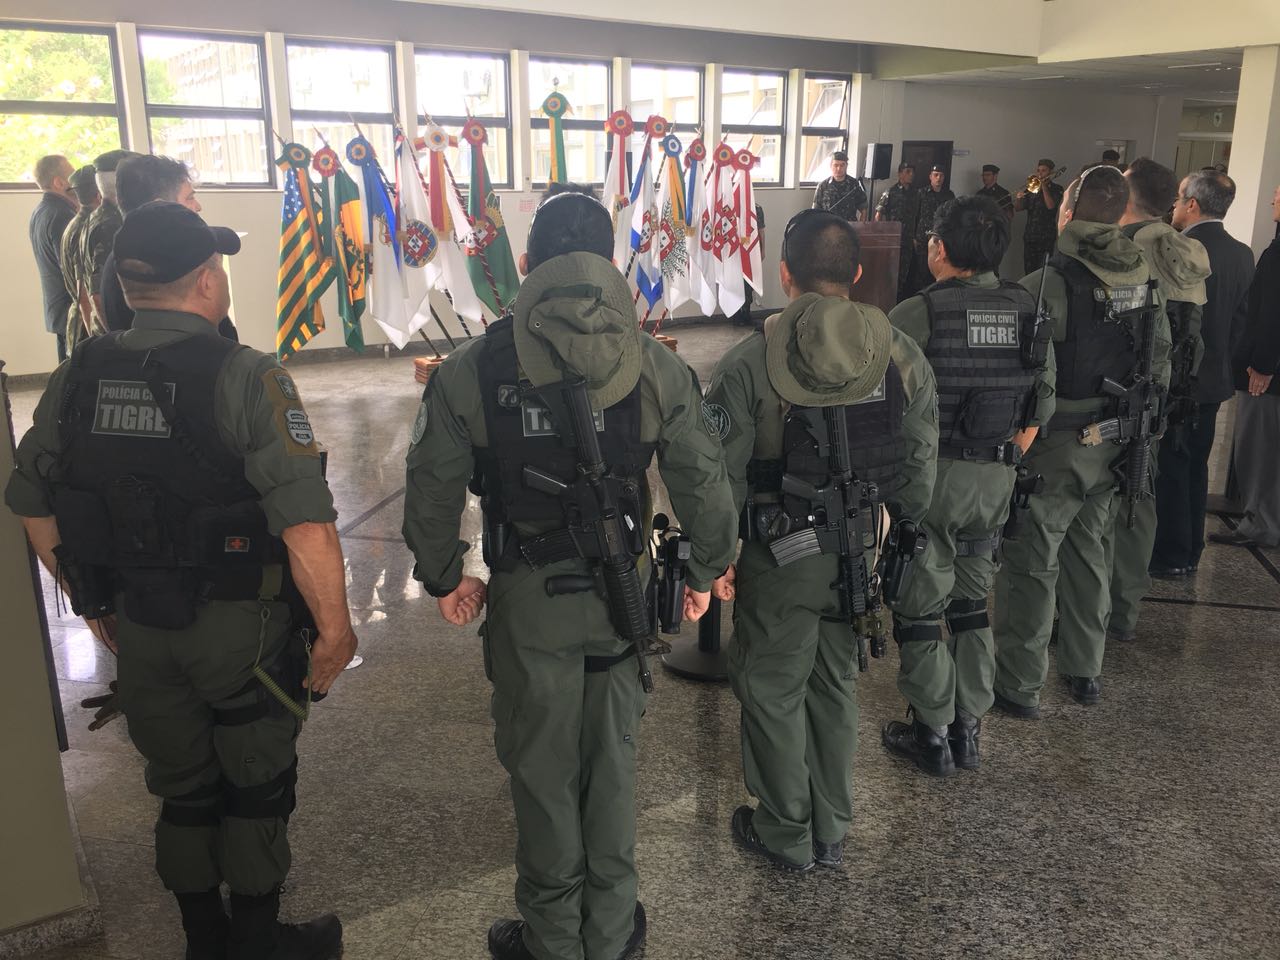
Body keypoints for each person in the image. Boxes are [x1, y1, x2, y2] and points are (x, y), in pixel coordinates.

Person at [5, 201, 357, 960]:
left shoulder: (80, 372)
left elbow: (29, 499)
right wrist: (336, 630)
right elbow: (306, 524)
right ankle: (258, 941)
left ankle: (204, 939)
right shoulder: (247, 374)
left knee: (181, 787)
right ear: (205, 282)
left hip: (139, 623)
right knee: (256, 784)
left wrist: (90, 599)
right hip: (240, 630)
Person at [402, 187, 737, 960]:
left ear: (526, 264)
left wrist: (445, 576)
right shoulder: (654, 363)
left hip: (528, 598)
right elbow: (703, 480)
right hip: (625, 596)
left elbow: (431, 487)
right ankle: (611, 929)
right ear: (609, 264)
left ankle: (553, 937)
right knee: (612, 764)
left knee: (543, 770)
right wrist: (706, 568)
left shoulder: (473, 368)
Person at [705, 209, 938, 868]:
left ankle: (785, 831)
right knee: (835, 682)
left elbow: (717, 472)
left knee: (771, 686)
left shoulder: (751, 360)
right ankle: (831, 827)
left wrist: (716, 556)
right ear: (856, 274)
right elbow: (920, 453)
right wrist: (902, 528)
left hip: (778, 555)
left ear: (785, 273)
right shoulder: (898, 351)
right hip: (859, 551)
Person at [881, 196, 1054, 775]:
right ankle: (968, 728)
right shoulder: (1027, 307)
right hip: (997, 477)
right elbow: (1041, 405)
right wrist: (1003, 459)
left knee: (920, 605)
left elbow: (882, 404)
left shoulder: (918, 313)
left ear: (938, 247)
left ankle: (930, 733)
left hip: (932, 479)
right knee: (973, 604)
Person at [993, 166, 1170, 712]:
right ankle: (1085, 669)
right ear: (1119, 215)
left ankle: (1019, 684)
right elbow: (1160, 359)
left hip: (1057, 445)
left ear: (1066, 213)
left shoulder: (1044, 284)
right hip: (1117, 442)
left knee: (1033, 560)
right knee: (1091, 551)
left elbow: (1018, 377)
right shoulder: (1146, 278)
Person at [1103, 157, 1209, 643]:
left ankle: (1092, 610)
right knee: (1140, 501)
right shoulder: (1184, 250)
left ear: (1127, 198)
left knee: (1102, 508)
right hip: (1167, 397)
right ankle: (1125, 607)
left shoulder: (1125, 248)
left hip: (1118, 395)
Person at [1153, 170, 1255, 561]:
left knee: (1171, 466)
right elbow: (1240, 322)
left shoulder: (1181, 249)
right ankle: (1192, 547)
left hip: (1181, 378)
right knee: (1197, 465)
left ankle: (1171, 554)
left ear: (1192, 204)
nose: (1175, 206)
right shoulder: (1242, 253)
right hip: (1215, 378)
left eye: (1179, 198)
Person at [104, 154, 239, 341]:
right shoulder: (167, 260)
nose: (198, 206)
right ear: (160, 206)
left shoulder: (122, 259)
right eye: (189, 198)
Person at [1218, 184, 1280, 548]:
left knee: (1258, 450)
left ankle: (1261, 525)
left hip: (1267, 374)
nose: (1273, 200)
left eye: (1279, 194)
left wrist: (1262, 365)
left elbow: (1271, 313)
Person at [80, 149, 139, 334]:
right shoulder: (111, 226)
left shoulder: (94, 218)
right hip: (119, 334)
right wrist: (118, 340)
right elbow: (97, 294)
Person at [28, 154, 78, 363]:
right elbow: (72, 269)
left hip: (58, 308)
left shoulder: (40, 211)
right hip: (71, 309)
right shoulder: (62, 215)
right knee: (76, 373)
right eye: (72, 175)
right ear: (59, 182)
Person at [60, 164, 102, 354]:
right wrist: (94, 344)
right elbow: (84, 293)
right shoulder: (87, 228)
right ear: (99, 195)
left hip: (81, 322)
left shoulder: (74, 224)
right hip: (87, 326)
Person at [875, 162, 920, 302]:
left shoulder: (916, 193)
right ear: (900, 174)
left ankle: (901, 300)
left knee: (905, 272)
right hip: (892, 239)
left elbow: (918, 216)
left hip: (908, 239)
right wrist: (881, 235)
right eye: (907, 171)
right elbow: (878, 215)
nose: (911, 175)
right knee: (890, 271)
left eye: (912, 172)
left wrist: (915, 237)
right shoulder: (891, 192)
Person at [1014, 158, 1065, 276]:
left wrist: (1044, 187)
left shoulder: (1057, 189)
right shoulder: (1031, 188)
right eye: (1038, 170)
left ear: (1051, 172)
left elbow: (1051, 206)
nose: (1040, 173)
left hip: (1046, 238)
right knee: (1028, 271)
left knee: (1042, 273)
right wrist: (1019, 199)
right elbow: (1018, 208)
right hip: (1030, 236)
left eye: (1043, 170)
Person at [910, 165, 956, 293]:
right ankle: (920, 296)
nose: (938, 178)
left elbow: (952, 217)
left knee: (939, 270)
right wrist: (913, 237)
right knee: (921, 271)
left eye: (941, 175)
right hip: (922, 239)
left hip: (941, 240)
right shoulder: (921, 193)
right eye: (936, 175)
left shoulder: (949, 195)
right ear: (930, 176)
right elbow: (913, 215)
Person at [812, 149, 867, 222]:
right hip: (829, 225)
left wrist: (860, 226)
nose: (839, 169)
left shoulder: (854, 184)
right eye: (836, 165)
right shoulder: (823, 185)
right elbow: (815, 211)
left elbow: (863, 208)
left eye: (842, 165)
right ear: (831, 166)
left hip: (848, 225)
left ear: (846, 166)